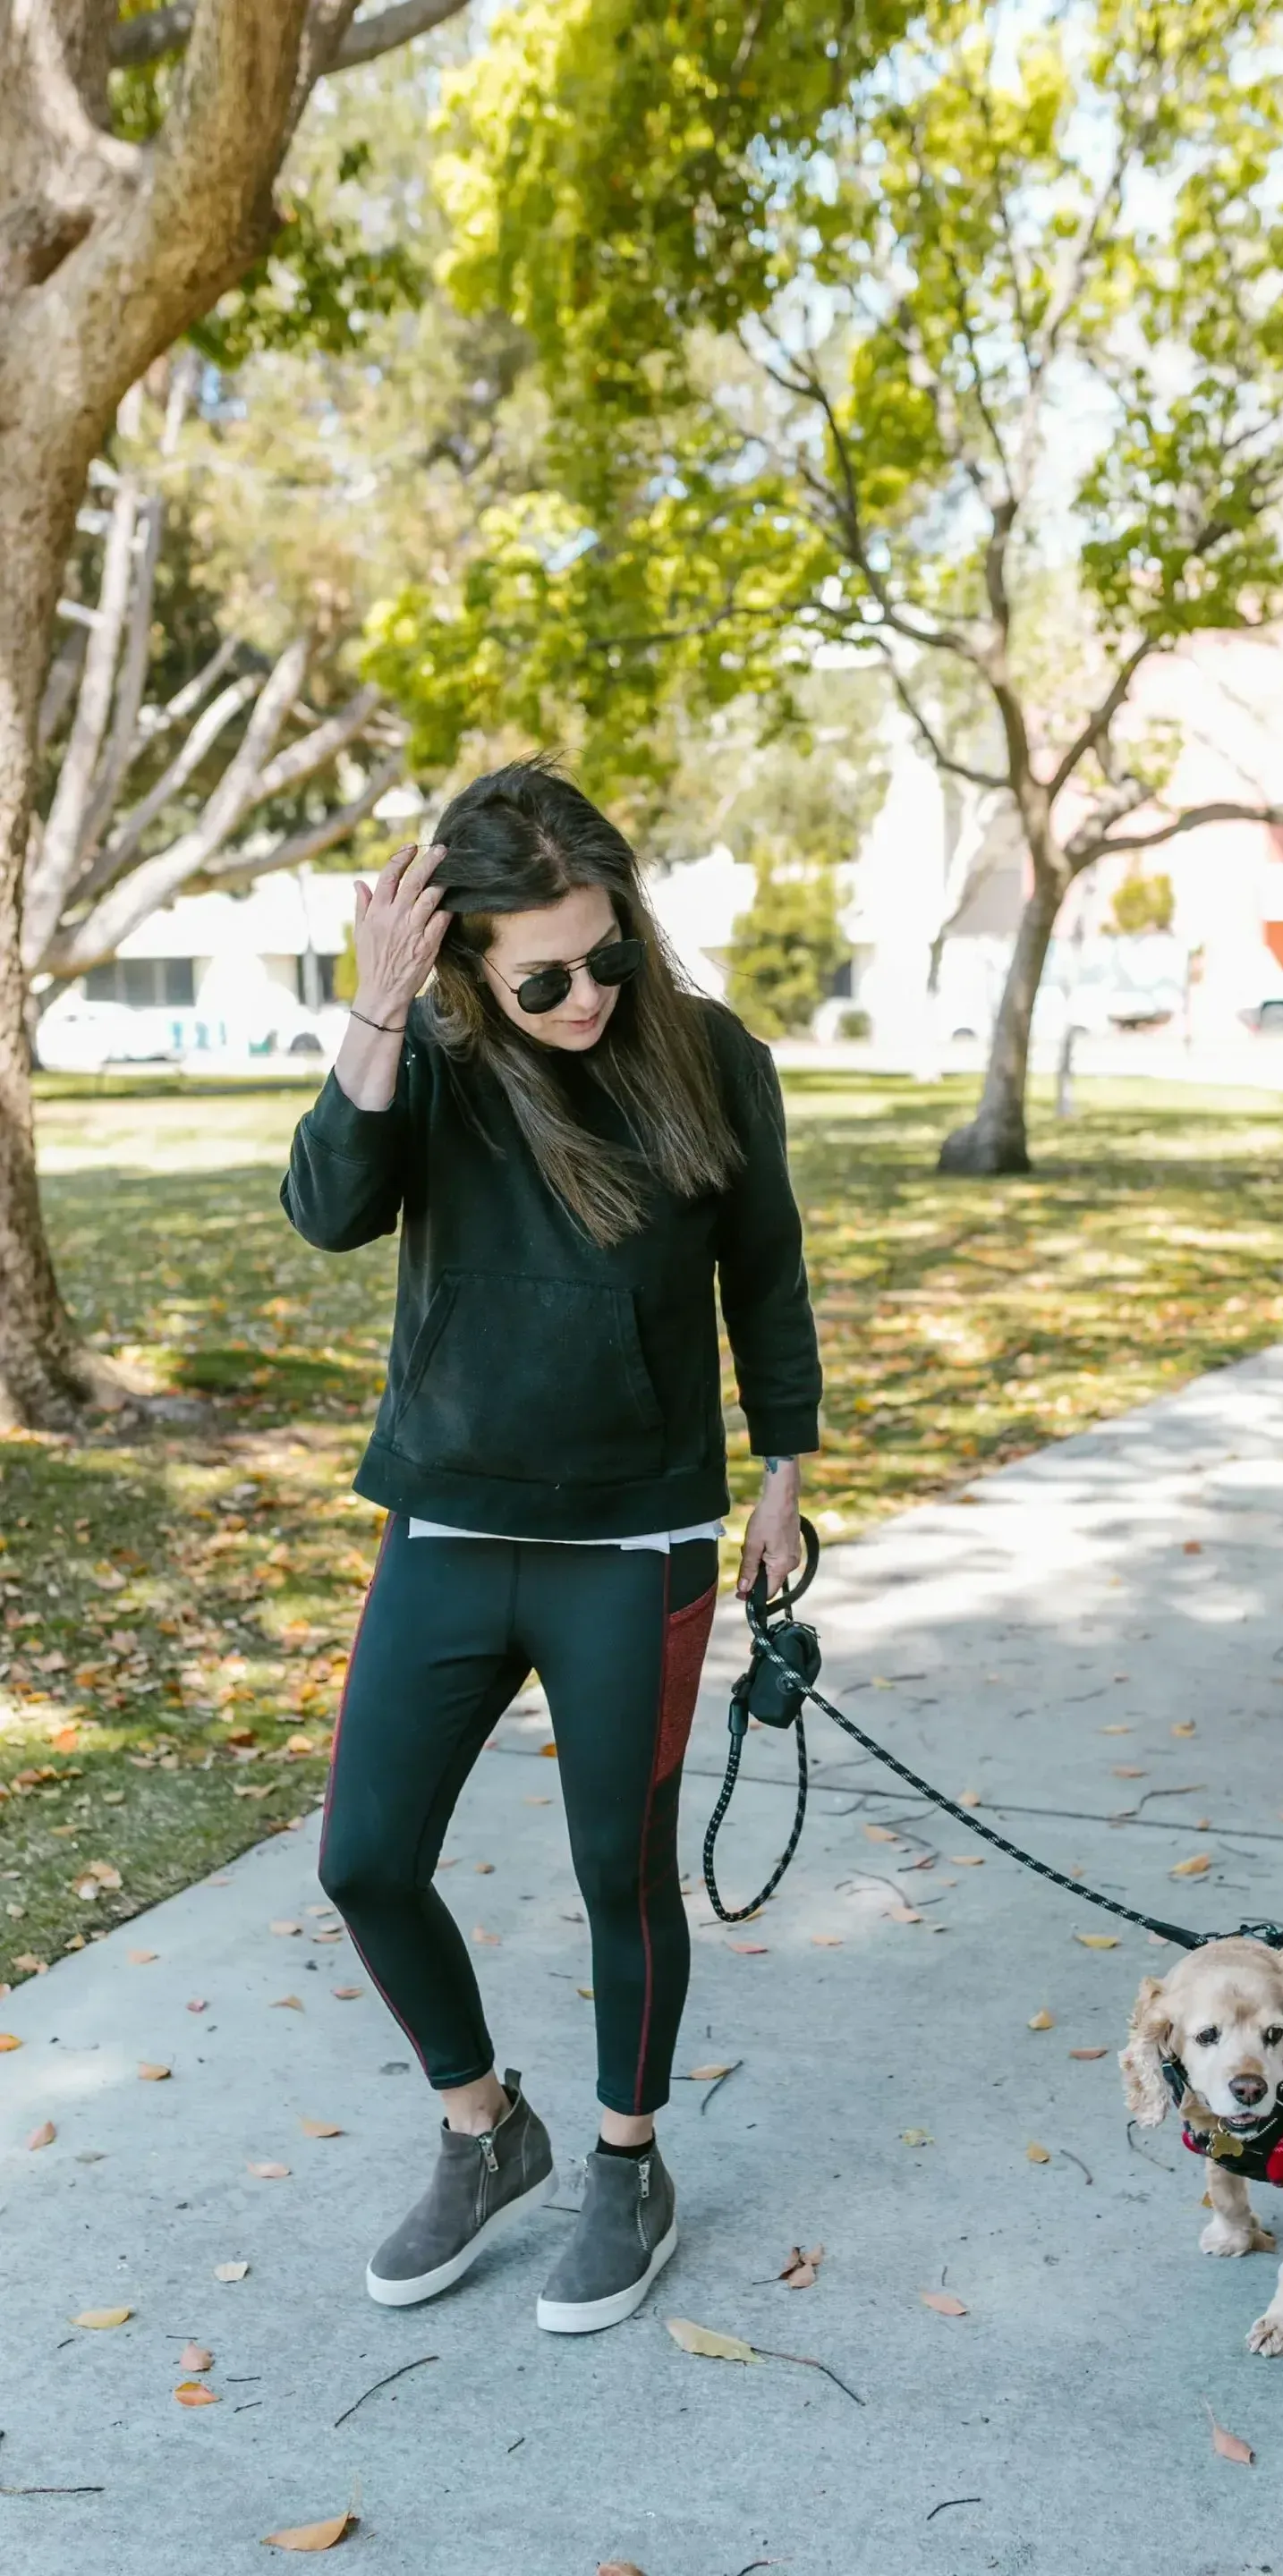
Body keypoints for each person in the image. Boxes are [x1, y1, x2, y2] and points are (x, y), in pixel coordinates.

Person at [280, 757, 820, 2334]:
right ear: (464, 963)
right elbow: (325, 1209)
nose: (585, 993)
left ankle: (626, 2163)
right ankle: (481, 2125)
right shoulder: (432, 1052)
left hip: (637, 1541)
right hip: (448, 1521)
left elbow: (768, 1280)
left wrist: (783, 1465)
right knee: (367, 1857)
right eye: (543, 977)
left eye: (608, 955)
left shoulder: (713, 1059)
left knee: (617, 1874)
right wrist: (378, 1011)